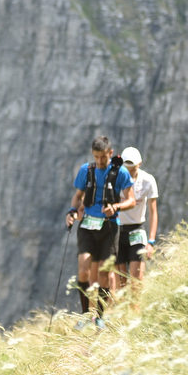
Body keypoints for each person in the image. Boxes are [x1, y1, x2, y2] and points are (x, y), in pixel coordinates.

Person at [64, 134, 135, 322]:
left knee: (104, 273)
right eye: (96, 157)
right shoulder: (86, 170)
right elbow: (77, 196)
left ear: (110, 153)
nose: (100, 160)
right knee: (83, 269)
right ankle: (86, 315)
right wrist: (72, 211)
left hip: (110, 228)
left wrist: (116, 207)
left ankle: (101, 318)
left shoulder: (121, 173)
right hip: (87, 225)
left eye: (103, 156)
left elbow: (131, 200)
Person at [114, 146, 159, 292]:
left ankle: (135, 313)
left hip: (137, 229)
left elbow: (153, 212)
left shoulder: (148, 180)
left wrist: (151, 242)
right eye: (126, 168)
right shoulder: (115, 179)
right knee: (119, 282)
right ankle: (119, 313)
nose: (130, 171)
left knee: (137, 280)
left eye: (132, 168)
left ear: (139, 164)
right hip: (117, 230)